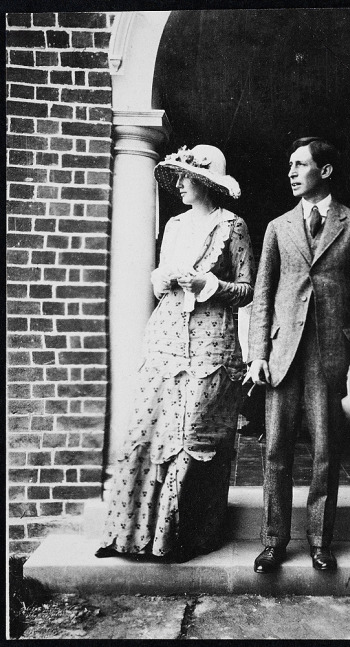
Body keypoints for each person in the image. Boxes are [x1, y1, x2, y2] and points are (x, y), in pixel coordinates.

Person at [96, 145, 255, 563]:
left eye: (186, 177)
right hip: (167, 335)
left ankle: (181, 538)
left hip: (210, 342)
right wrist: (165, 278)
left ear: (205, 182)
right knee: (148, 424)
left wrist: (210, 284)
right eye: (179, 177)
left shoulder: (232, 226)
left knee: (192, 433)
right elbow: (160, 282)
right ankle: (128, 536)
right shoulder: (174, 225)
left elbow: (247, 289)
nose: (180, 185)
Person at [248, 136, 350, 573]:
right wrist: (258, 352)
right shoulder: (277, 227)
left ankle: (321, 542)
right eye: (289, 164)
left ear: (324, 171)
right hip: (283, 353)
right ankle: (273, 541)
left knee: (326, 450)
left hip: (330, 355)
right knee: (276, 450)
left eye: (300, 164)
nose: (290, 172)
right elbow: (262, 294)